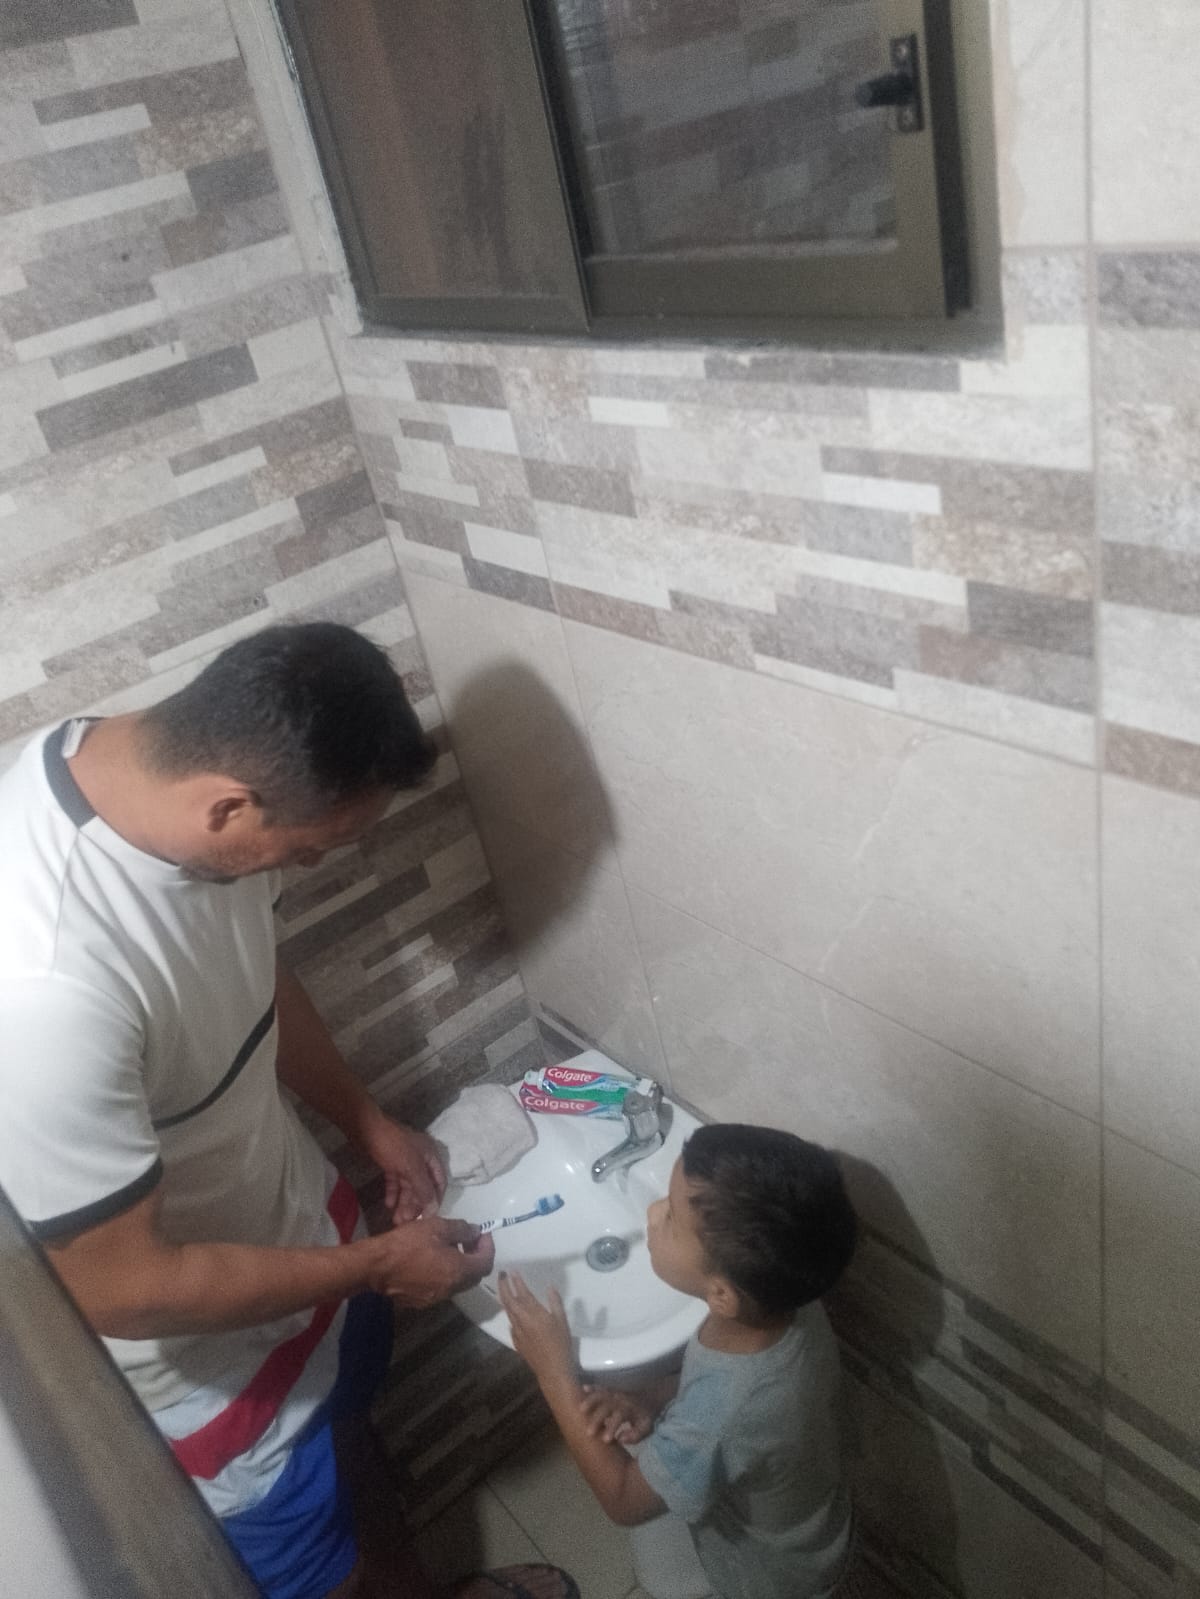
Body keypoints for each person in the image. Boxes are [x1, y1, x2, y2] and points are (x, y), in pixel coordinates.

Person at [0, 623, 577, 1599]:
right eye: (307, 852)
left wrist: (365, 1120)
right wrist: (378, 1265)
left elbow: (253, 966)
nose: (305, 869)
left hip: (302, 1230)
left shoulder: (140, 766)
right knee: (323, 1574)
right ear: (230, 807)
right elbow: (123, 1288)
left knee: (354, 1439)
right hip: (212, 1364)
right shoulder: (41, 989)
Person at [498, 1122, 862, 1599]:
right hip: (816, 1529)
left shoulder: (724, 1414)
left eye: (670, 1217)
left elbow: (625, 1500)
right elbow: (735, 1400)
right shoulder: (787, 1306)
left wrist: (553, 1373)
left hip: (769, 1579)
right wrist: (653, 1397)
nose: (652, 1212)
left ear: (721, 1294)